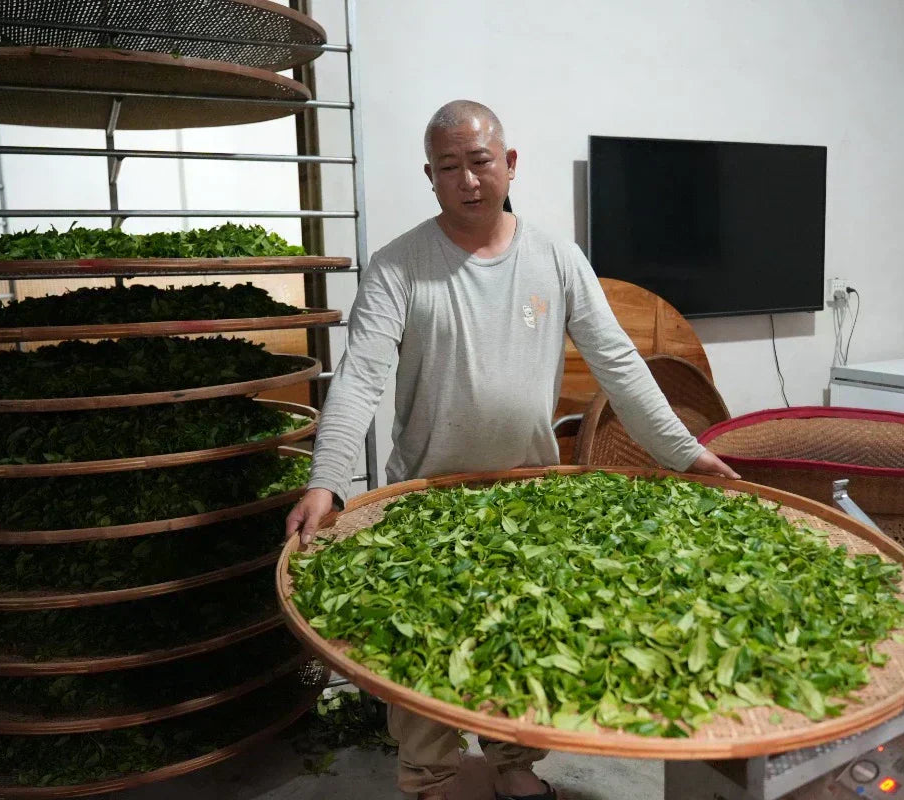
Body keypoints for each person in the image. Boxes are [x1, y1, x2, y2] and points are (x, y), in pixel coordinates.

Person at [286, 99, 738, 800]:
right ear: (429, 176)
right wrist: (328, 481)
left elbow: (619, 363)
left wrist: (683, 453)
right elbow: (359, 381)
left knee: (520, 643)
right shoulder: (399, 266)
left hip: (530, 496)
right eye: (448, 168)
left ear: (510, 164)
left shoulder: (555, 256)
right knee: (423, 652)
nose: (467, 180)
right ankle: (430, 778)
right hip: (425, 500)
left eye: (480, 162)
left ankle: (512, 767)